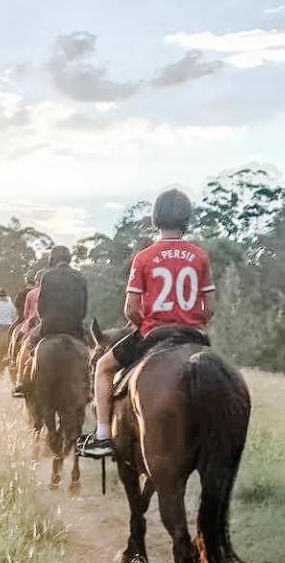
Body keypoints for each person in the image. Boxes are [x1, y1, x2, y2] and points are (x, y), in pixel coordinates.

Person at [79, 188, 214, 458]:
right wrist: (191, 321)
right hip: (191, 335)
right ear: (185, 219)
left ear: (156, 218)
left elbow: (131, 310)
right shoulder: (200, 256)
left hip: (154, 332)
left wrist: (144, 323)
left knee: (104, 367)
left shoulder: (143, 257)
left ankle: (103, 435)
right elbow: (210, 308)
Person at [12, 247, 88, 398]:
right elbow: (83, 308)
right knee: (87, 353)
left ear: (52, 260)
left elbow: (41, 306)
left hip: (49, 326)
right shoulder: (80, 277)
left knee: (26, 346)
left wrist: (46, 319)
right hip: (75, 327)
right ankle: (88, 385)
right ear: (69, 259)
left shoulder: (46, 276)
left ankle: (20, 381)